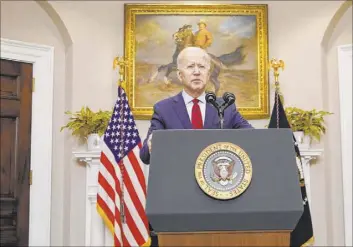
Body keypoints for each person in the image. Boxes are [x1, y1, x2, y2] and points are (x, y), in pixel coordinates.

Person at [140, 46, 253, 165]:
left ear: (208, 75)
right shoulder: (163, 109)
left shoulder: (225, 107)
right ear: (179, 75)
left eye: (202, 67)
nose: (197, 72)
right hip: (178, 180)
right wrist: (151, 144)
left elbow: (253, 137)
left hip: (217, 178)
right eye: (190, 66)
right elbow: (145, 156)